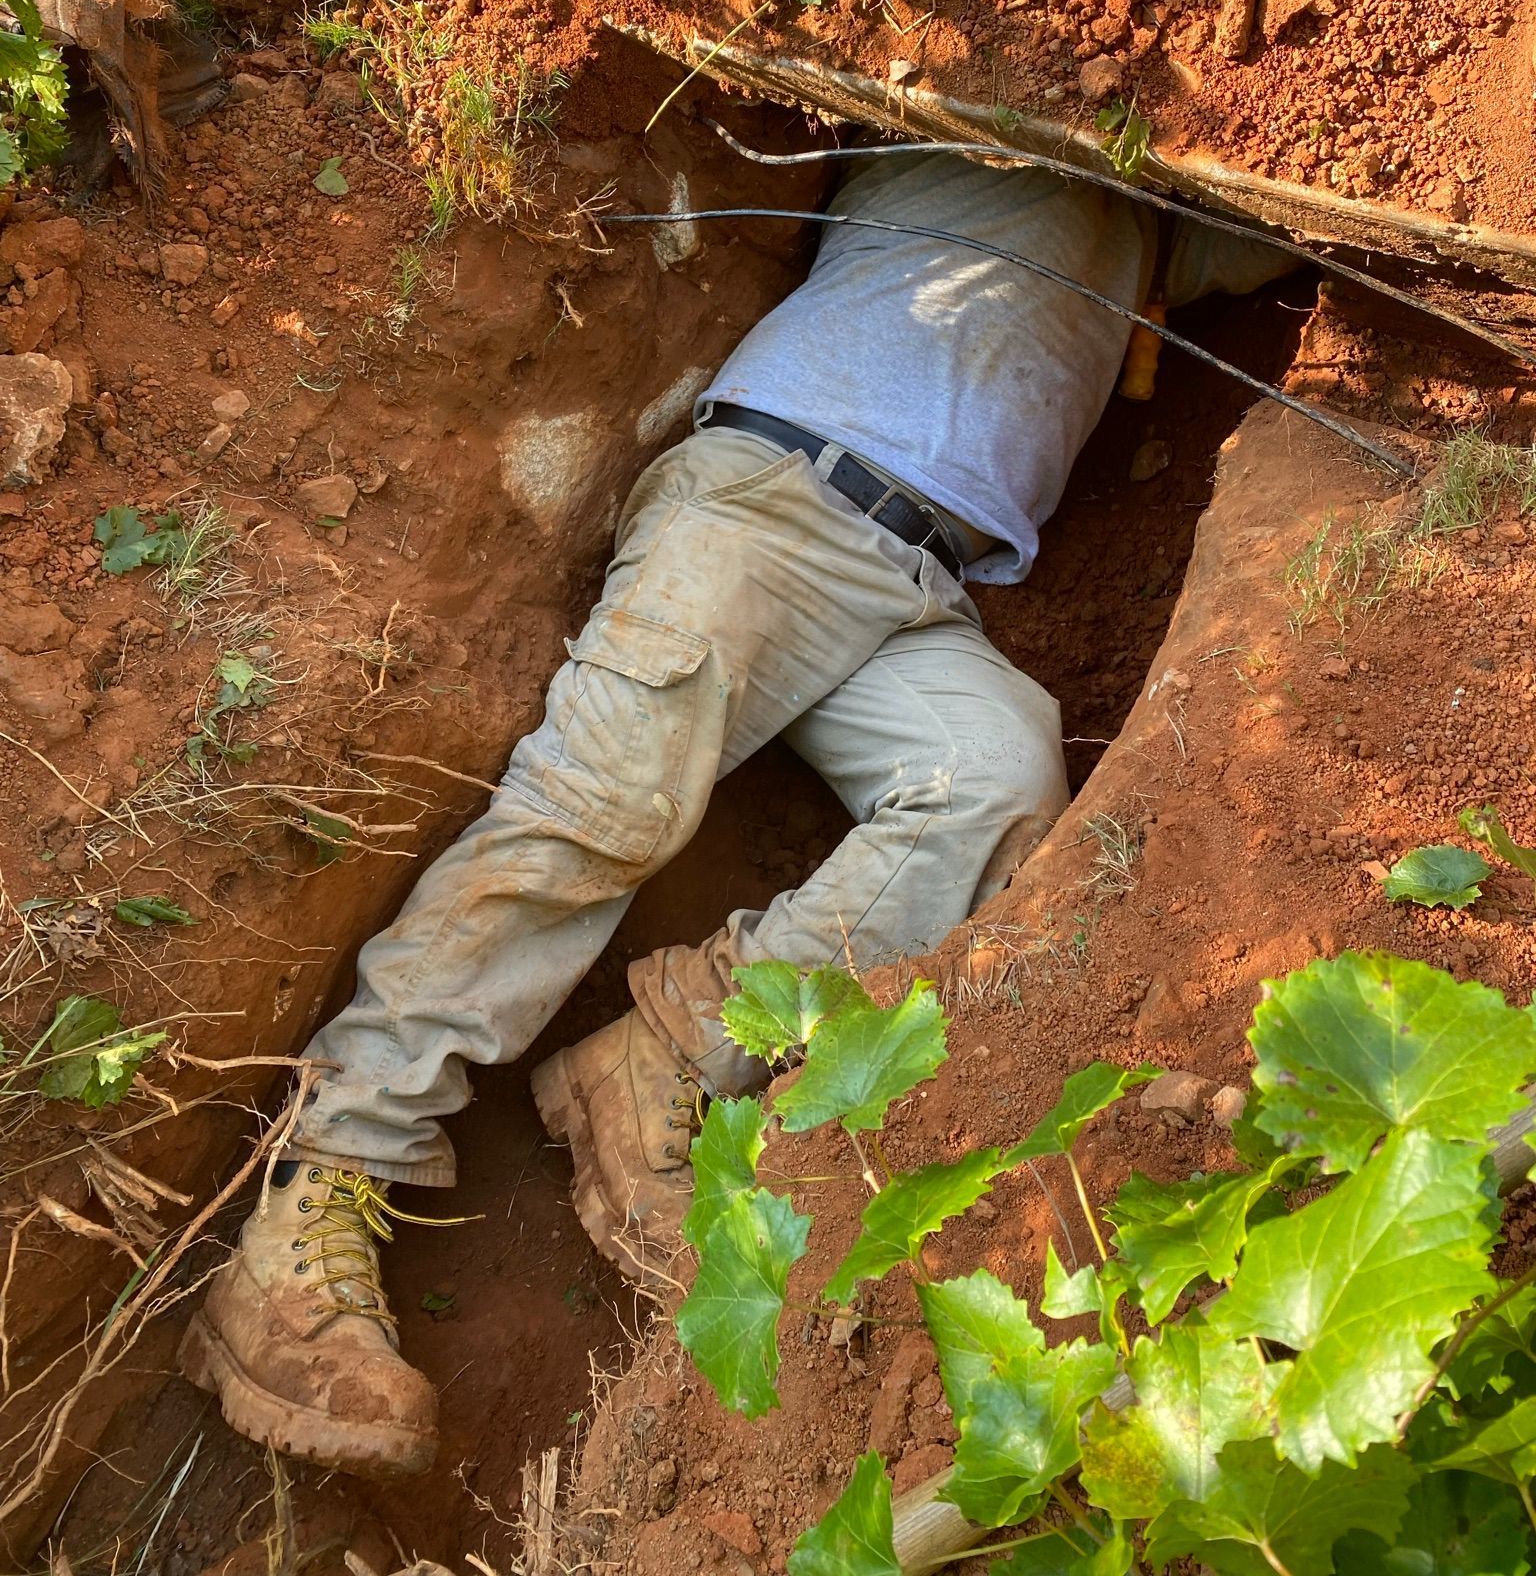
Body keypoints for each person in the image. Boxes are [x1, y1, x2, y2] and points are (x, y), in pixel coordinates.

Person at [179, 150, 1282, 1477]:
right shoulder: (959, 132)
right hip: (771, 496)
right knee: (602, 810)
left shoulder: (1147, 242)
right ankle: (314, 1200)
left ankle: (661, 1054)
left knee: (995, 774)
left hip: (920, 582)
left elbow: (1286, 213)